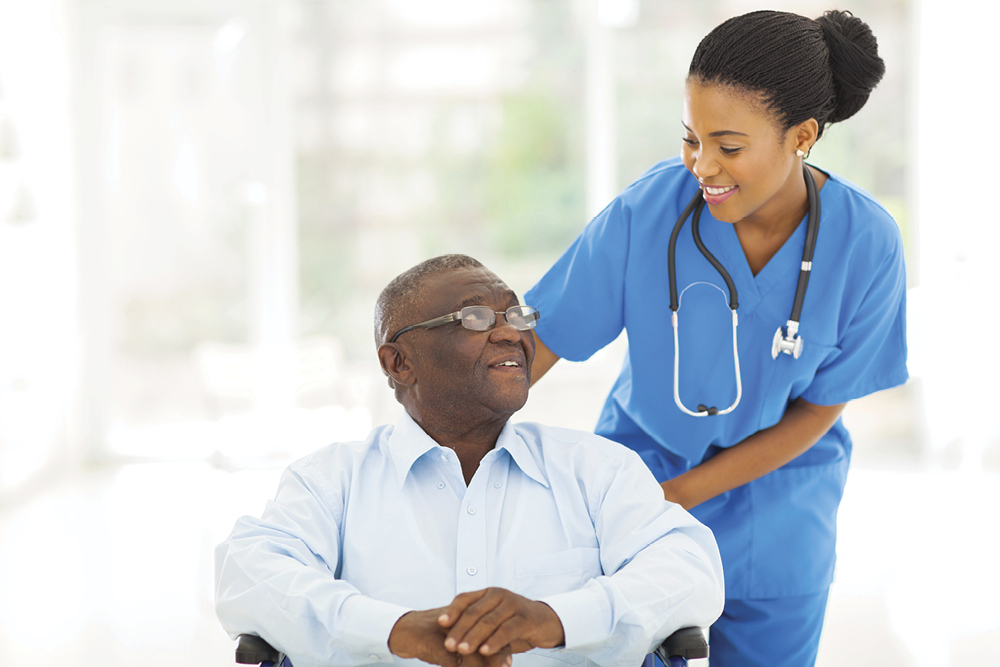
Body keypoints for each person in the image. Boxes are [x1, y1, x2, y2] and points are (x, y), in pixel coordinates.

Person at [525, 10, 907, 667]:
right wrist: (449, 437)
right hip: (638, 489)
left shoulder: (865, 243)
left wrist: (680, 495)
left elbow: (821, 408)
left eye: (728, 147)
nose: (702, 165)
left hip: (779, 508)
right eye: (691, 139)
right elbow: (540, 341)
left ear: (803, 136)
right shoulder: (649, 212)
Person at [215, 254, 724, 667]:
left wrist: (552, 620)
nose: (511, 334)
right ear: (399, 362)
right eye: (475, 318)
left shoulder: (597, 468)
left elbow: (688, 569)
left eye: (517, 315)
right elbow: (250, 574)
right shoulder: (331, 480)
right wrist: (395, 631)